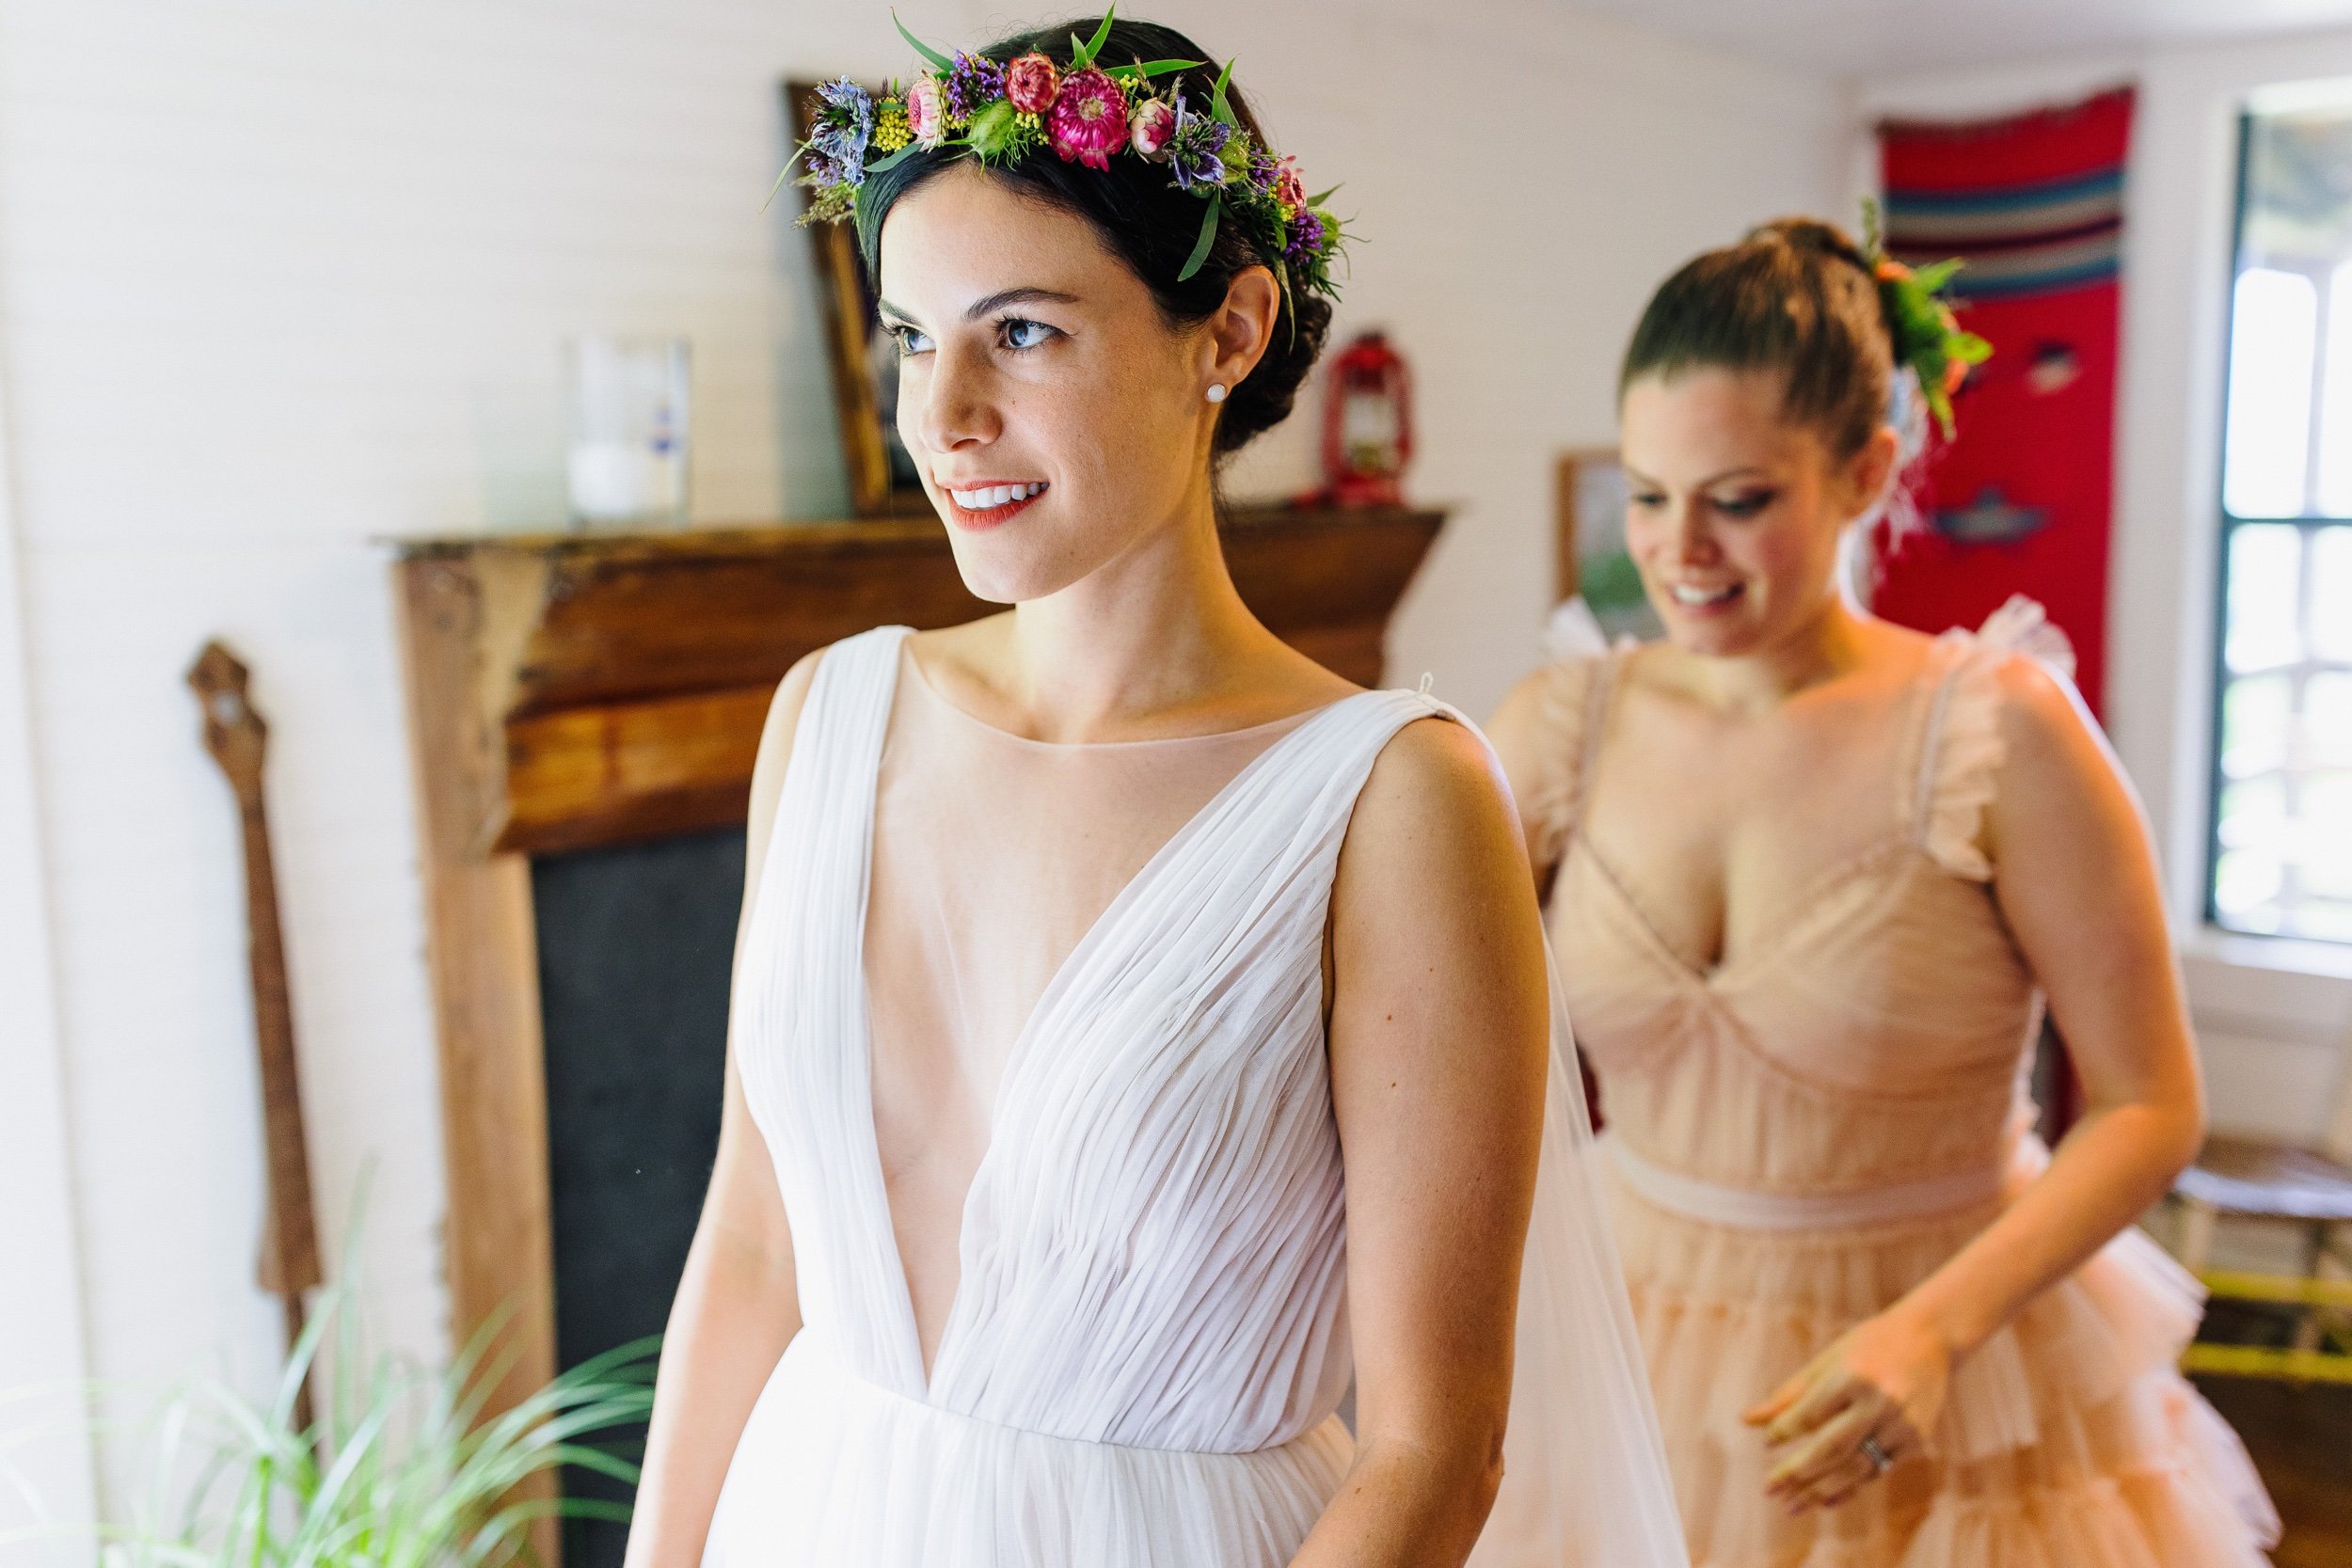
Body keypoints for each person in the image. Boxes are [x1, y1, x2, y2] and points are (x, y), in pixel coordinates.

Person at [619, 17, 1685, 1568]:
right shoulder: (827, 716)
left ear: (1231, 333)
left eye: (1024, 332)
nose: (944, 414)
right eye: (915, 337)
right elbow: (753, 1246)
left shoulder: (1392, 805)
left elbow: (1434, 1452)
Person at [1489, 216, 2280, 1567]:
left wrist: (1935, 1330)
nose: (1681, 551)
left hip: (1949, 1356)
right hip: (1627, 1329)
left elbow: (2153, 1106)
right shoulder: (1563, 727)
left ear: (1868, 470)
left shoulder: (1997, 735)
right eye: (1648, 493)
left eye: (1737, 499)